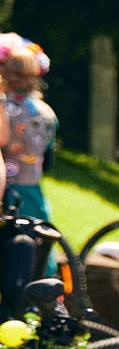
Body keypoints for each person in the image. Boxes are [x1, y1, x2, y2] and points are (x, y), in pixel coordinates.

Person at [1, 35, 54, 222]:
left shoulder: (3, 107)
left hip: (6, 194)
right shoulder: (46, 112)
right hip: (33, 192)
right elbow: (48, 158)